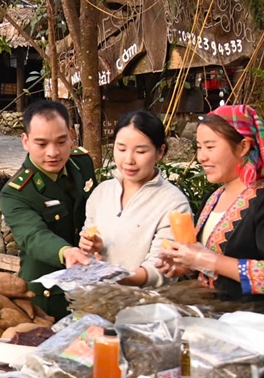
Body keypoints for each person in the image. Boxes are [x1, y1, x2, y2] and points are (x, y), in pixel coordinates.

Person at [154, 104, 264, 311]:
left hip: (257, 327)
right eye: (199, 147)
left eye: (210, 147)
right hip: (212, 321)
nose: (201, 157)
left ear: (243, 147)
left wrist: (208, 260)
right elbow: (210, 266)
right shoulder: (213, 198)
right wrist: (186, 265)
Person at [1, 99, 98, 318]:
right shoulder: (16, 191)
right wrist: (65, 252)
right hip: (47, 301)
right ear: (25, 141)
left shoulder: (82, 163)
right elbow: (33, 235)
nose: (53, 152)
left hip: (89, 291)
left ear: (72, 136)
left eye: (61, 141)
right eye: (42, 144)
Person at [77, 111, 192, 287]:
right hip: (97, 302)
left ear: (160, 152)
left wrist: (116, 276)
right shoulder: (101, 193)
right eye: (121, 149)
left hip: (146, 309)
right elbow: (88, 252)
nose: (129, 160)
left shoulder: (174, 203)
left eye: (140, 151)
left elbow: (161, 270)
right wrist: (91, 248)